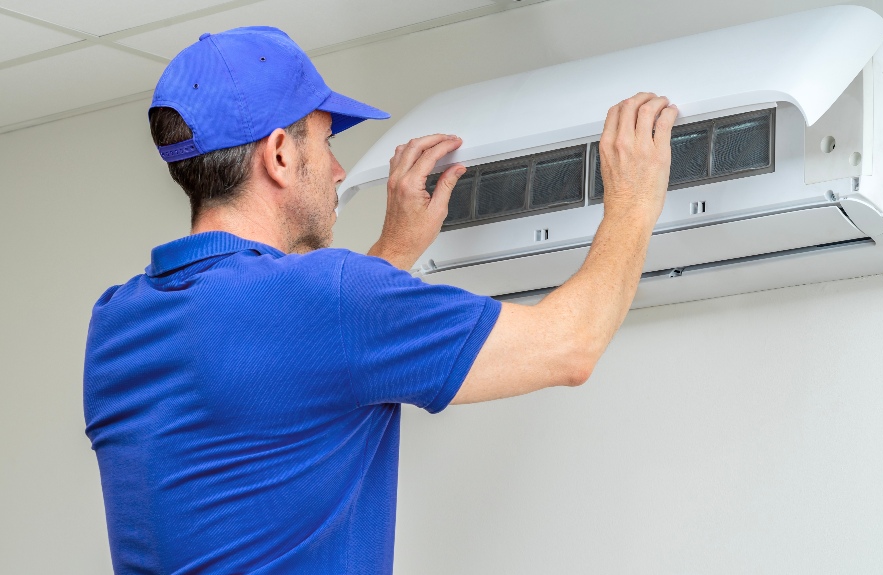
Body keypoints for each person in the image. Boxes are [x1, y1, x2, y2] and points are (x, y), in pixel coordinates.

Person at [84, 26, 678, 574]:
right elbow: (567, 347)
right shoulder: (329, 297)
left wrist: (392, 251)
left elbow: (277, 367)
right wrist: (633, 199)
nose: (340, 170)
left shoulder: (116, 323)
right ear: (280, 155)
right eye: (323, 141)